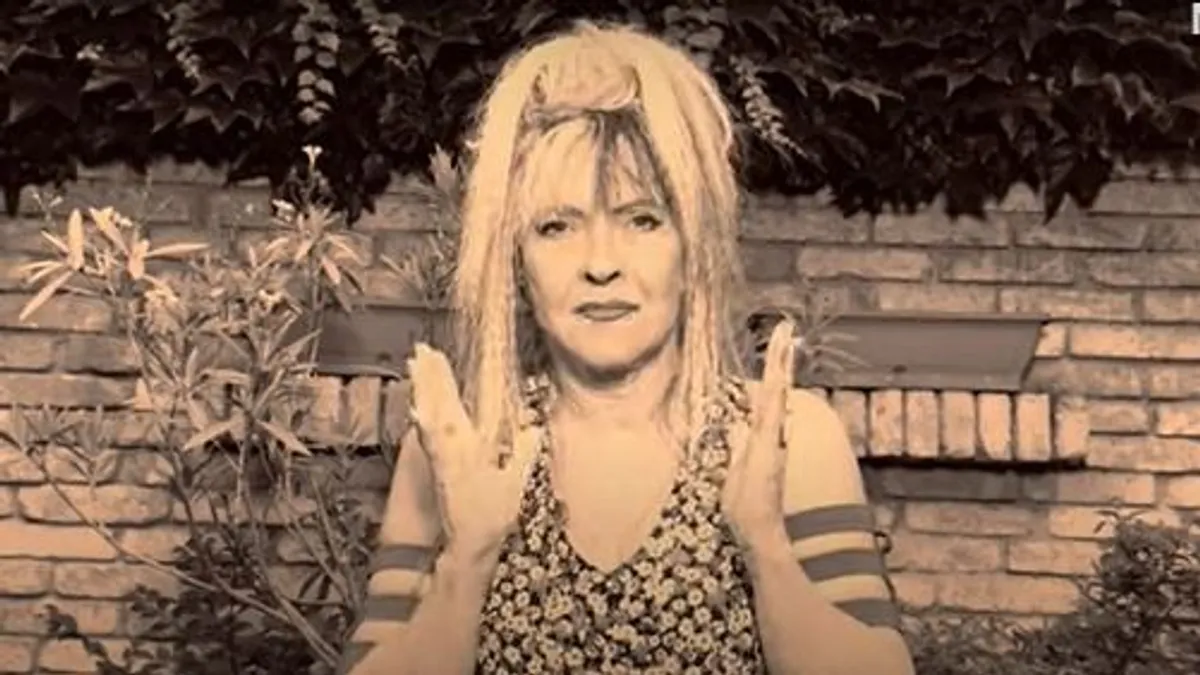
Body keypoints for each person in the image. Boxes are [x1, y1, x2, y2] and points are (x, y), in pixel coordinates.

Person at [341, 20, 913, 675]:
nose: (601, 263)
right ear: (516, 260)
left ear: (693, 247)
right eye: (556, 227)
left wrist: (766, 547)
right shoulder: (463, 443)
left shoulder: (787, 437)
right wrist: (466, 557)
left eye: (642, 219)